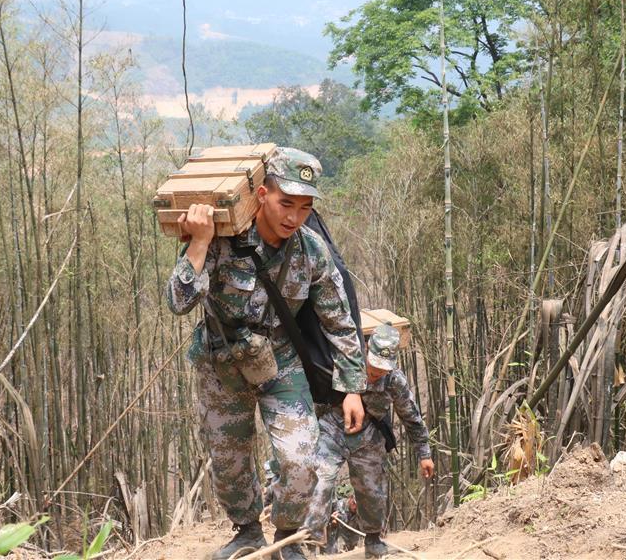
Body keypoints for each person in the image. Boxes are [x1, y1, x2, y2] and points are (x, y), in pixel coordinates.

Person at [166, 147, 367, 560]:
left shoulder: (311, 251)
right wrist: (200, 242)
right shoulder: (222, 242)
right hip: (221, 362)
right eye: (286, 203)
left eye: (305, 207)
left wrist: (353, 389)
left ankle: (286, 537)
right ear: (262, 194)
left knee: (301, 458)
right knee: (229, 459)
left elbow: (340, 321)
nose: (294, 216)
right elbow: (178, 302)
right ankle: (247, 533)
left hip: (280, 362)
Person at [304, 325, 435, 559]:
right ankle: (307, 542)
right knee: (319, 481)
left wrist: (424, 453)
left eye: (382, 368)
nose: (376, 372)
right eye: (373, 365)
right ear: (365, 349)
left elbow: (411, 417)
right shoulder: (345, 362)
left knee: (372, 490)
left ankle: (373, 540)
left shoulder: (394, 381)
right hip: (332, 428)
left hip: (368, 435)